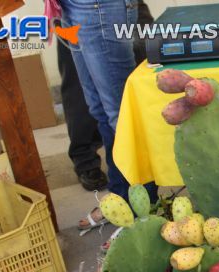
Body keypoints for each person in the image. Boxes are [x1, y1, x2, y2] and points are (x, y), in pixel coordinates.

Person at [58, 0, 158, 231]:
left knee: (120, 114)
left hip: (98, 7)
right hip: (74, 7)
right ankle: (121, 198)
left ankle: (144, 211)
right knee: (100, 111)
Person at [56, 36, 108, 191]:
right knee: (77, 82)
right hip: (72, 16)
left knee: (138, 59)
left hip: (122, 12)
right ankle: (85, 159)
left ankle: (136, 153)